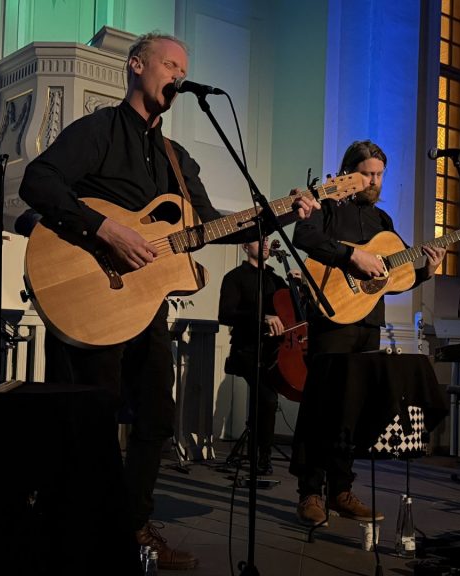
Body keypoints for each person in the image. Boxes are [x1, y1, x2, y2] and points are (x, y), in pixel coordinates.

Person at [19, 32, 318, 570]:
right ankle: (83, 536)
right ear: (137, 67)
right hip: (94, 294)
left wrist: (281, 213)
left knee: (157, 416)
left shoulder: (176, 158)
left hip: (146, 304)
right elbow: (38, 181)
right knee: (92, 418)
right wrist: (106, 229)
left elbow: (208, 227)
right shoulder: (98, 132)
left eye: (184, 68)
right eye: (170, 64)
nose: (179, 75)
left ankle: (132, 527)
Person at [289, 140, 446, 526]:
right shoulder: (327, 204)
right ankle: (310, 492)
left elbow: (394, 278)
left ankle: (341, 490)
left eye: (379, 175)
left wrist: (426, 270)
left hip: (368, 323)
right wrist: (350, 256)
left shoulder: (383, 223)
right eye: (368, 174)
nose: (374, 181)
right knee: (321, 405)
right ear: (350, 172)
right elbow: (304, 239)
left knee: (354, 409)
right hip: (331, 318)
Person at [217, 239, 292, 475]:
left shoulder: (277, 280)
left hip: (274, 350)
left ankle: (260, 451)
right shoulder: (234, 277)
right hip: (246, 350)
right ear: (245, 247)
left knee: (268, 398)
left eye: (267, 240)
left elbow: (290, 316)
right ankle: (262, 457)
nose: (265, 244)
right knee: (268, 397)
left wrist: (298, 291)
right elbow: (225, 314)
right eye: (258, 241)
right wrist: (263, 317)